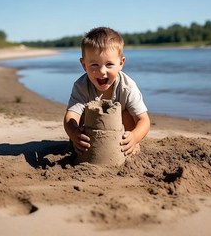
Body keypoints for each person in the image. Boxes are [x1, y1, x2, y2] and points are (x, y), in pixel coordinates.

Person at [63, 26, 150, 156]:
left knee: (126, 114)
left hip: (120, 136)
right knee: (80, 117)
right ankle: (80, 145)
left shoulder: (127, 87)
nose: (102, 71)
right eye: (94, 65)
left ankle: (129, 146)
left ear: (121, 63)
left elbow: (144, 120)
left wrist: (135, 137)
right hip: (92, 136)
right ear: (84, 65)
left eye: (109, 64)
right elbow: (70, 117)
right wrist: (74, 133)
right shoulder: (81, 86)